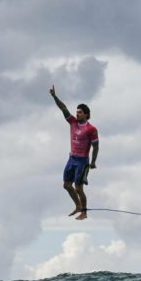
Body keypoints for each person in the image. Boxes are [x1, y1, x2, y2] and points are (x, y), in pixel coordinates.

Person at [50, 84, 99, 220]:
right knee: (66, 185)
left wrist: (93, 162)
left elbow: (96, 146)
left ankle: (84, 212)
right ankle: (77, 206)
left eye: (80, 112)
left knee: (78, 188)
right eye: (77, 112)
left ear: (86, 115)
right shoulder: (72, 122)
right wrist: (54, 96)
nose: (77, 114)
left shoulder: (91, 129)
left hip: (82, 162)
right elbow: (63, 108)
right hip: (72, 159)